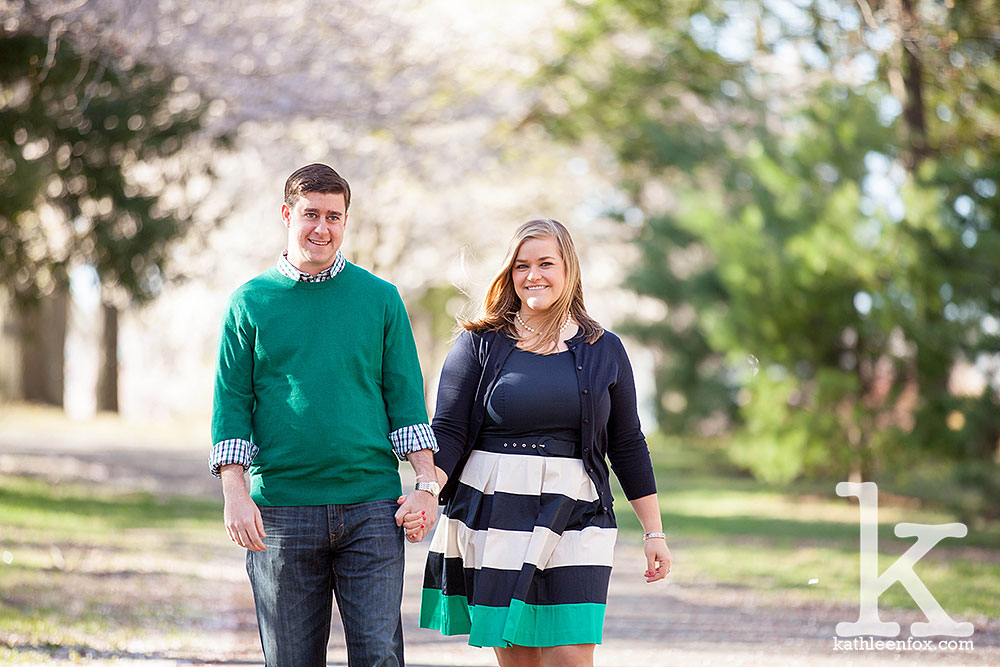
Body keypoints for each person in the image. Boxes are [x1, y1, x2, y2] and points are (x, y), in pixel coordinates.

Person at [411, 218, 671, 667]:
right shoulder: (478, 343)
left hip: (577, 510)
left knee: (570, 655)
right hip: (496, 509)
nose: (533, 275)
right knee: (521, 658)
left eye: (546, 263)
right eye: (521, 265)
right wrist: (426, 487)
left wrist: (655, 531)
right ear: (509, 274)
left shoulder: (603, 348)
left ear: (568, 268)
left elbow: (627, 443)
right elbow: (448, 431)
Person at [210, 163, 440, 667]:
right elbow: (232, 406)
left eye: (334, 217)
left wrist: (425, 484)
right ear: (287, 215)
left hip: (371, 509)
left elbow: (405, 400)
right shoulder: (249, 303)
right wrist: (235, 495)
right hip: (282, 514)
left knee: (379, 657)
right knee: (291, 660)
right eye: (311, 214)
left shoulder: (380, 298)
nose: (322, 228)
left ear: (346, 221)